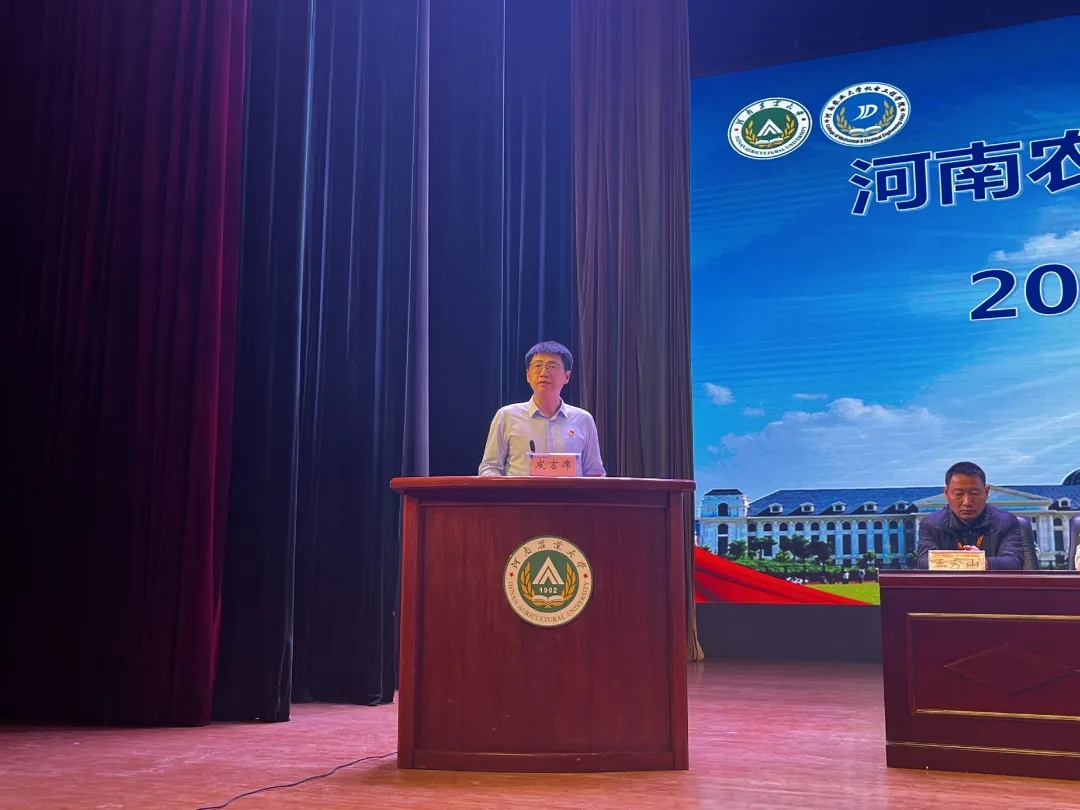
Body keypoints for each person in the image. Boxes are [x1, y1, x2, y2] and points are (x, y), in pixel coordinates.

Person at [478, 341, 606, 477]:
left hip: (568, 492)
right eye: (538, 366)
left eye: (552, 366)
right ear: (528, 375)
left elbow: (595, 473)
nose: (544, 373)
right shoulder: (507, 416)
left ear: (567, 376)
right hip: (520, 492)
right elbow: (489, 468)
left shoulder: (583, 419)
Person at [916, 461, 1024, 570]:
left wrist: (983, 562)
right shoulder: (931, 525)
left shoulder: (1005, 522)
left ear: (986, 492)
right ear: (946, 493)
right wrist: (970, 560)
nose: (967, 502)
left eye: (974, 493)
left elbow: (1014, 562)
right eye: (959, 494)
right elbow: (924, 562)